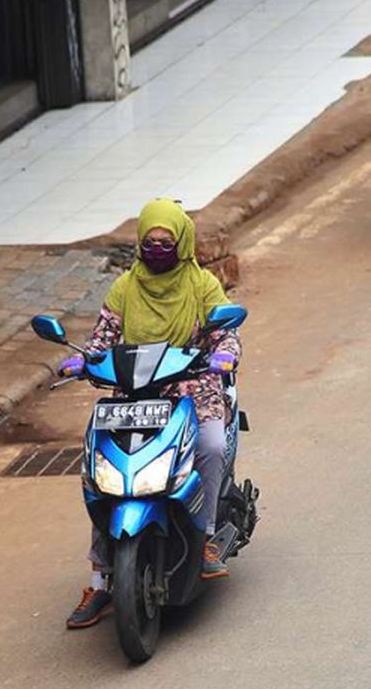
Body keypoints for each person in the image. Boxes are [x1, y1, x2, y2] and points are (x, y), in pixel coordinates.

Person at [62, 199, 242, 629]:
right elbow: (102, 339)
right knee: (103, 474)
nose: (157, 248)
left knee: (211, 445)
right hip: (132, 396)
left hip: (191, 390)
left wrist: (223, 357)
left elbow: (227, 335)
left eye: (166, 241)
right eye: (150, 240)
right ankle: (101, 580)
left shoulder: (202, 286)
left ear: (182, 243)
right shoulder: (125, 288)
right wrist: (82, 361)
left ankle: (207, 541)